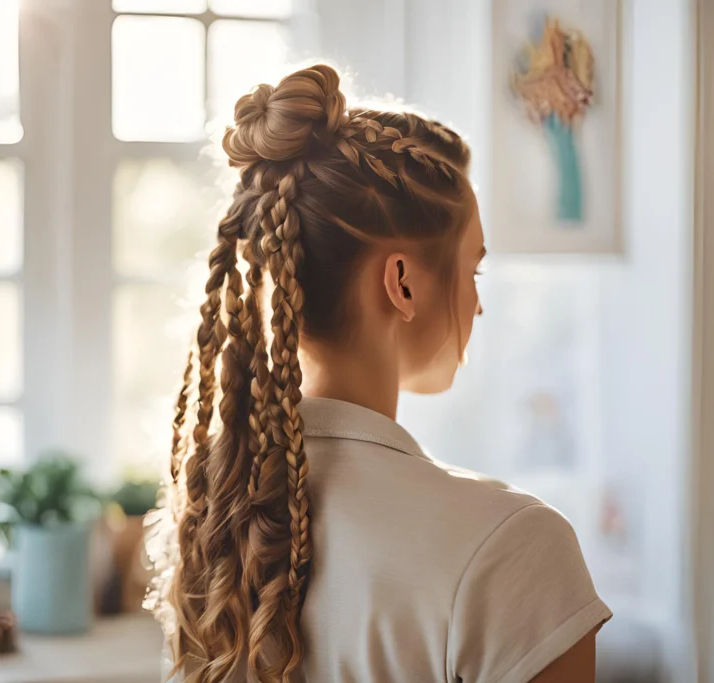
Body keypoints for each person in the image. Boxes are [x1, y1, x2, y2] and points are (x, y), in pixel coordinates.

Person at [150, 64, 611, 683]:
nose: (478, 303)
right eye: (472, 270)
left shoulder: (221, 510)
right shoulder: (514, 546)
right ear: (401, 282)